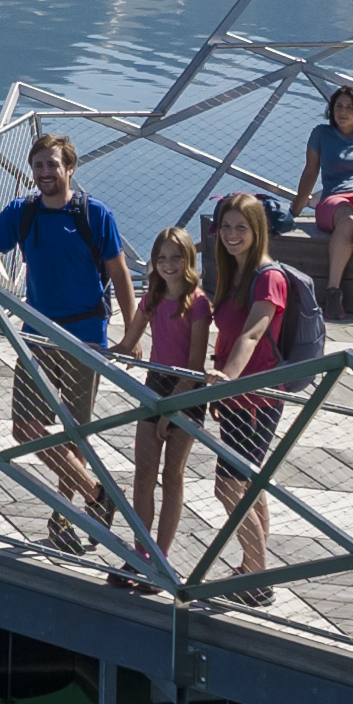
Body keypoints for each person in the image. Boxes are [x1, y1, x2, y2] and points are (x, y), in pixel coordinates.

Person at [0, 130, 139, 554]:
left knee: (76, 434)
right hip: (37, 334)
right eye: (39, 165)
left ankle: (63, 520)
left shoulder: (94, 215)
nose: (45, 172)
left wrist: (132, 336)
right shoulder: (20, 214)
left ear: (70, 168)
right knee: (24, 428)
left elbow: (120, 277)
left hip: (85, 338)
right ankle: (97, 494)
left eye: (53, 165)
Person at [197, 194, 306, 600]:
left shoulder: (267, 277)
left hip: (255, 398)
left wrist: (227, 378)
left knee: (227, 487)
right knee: (248, 485)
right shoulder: (236, 272)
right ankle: (251, 568)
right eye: (225, 227)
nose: (231, 235)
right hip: (237, 398)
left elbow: (253, 332)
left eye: (241, 227)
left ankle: (257, 580)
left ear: (258, 230)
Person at [127, 228, 214, 576]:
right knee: (143, 473)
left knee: (172, 474)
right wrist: (95, 349)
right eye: (161, 258)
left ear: (189, 259)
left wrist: (169, 412)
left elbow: (194, 368)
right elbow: (128, 342)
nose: (168, 265)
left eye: (175, 257)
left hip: (187, 392)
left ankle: (161, 556)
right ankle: (140, 552)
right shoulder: (152, 296)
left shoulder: (198, 302)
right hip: (155, 384)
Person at [294, 83, 353, 314]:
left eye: (349, 107)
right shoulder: (321, 133)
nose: (343, 112)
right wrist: (294, 210)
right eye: (338, 106)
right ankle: (333, 292)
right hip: (335, 201)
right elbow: (310, 172)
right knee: (347, 219)